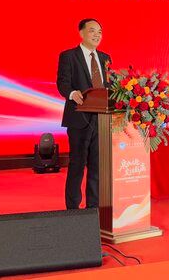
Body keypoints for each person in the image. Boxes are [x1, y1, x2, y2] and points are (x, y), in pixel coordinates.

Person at [57, 18, 111, 209]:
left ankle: (93, 208)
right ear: (81, 33)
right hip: (78, 118)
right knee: (77, 165)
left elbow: (109, 84)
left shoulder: (105, 58)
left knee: (97, 166)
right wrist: (72, 93)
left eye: (100, 32)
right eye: (92, 31)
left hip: (101, 119)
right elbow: (62, 82)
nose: (97, 35)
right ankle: (73, 210)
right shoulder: (69, 56)